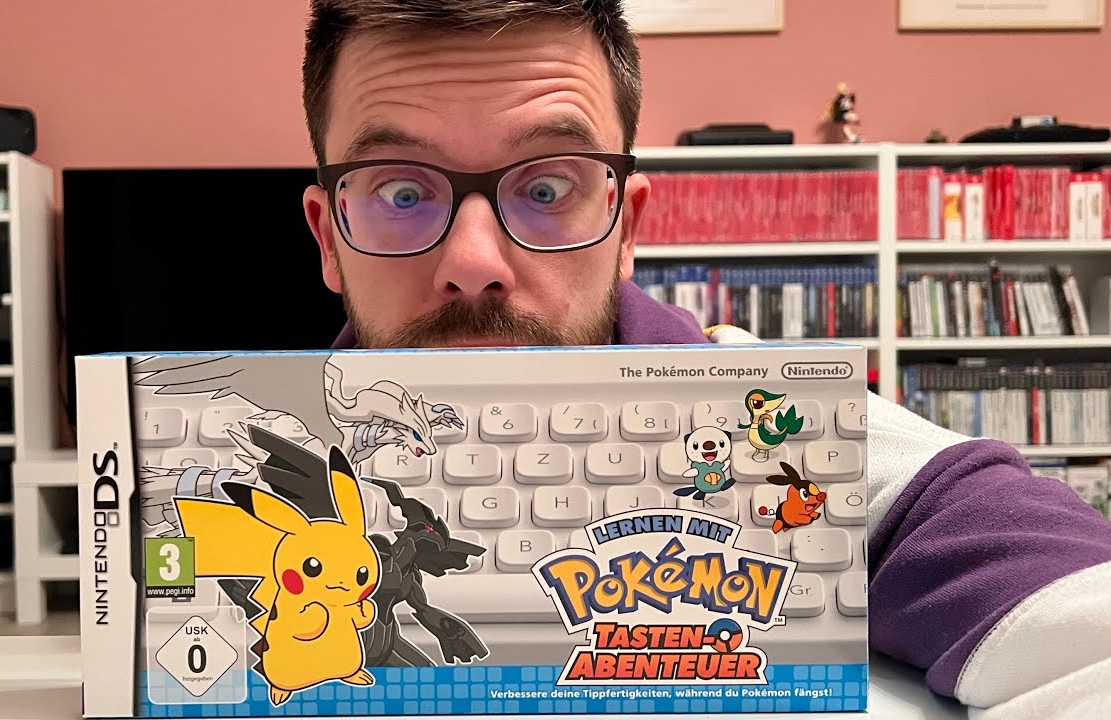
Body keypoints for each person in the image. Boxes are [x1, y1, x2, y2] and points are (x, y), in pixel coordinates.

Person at [297, 2, 1111, 717]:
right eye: (400, 193)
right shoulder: (248, 449)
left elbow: (1083, 630)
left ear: (627, 229)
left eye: (546, 189)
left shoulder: (785, 433)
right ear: (330, 238)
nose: (474, 262)